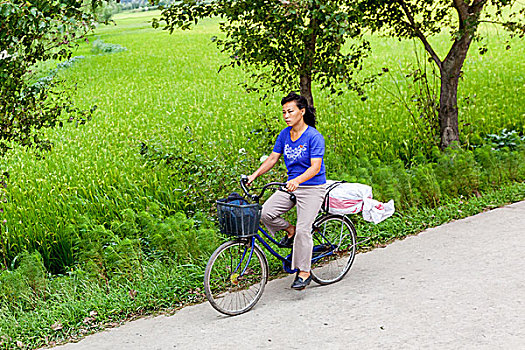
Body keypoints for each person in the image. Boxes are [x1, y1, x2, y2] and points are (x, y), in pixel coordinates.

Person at [247, 92, 327, 290]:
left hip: (312, 187)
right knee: (265, 213)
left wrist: (298, 180)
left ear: (302, 111)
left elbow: (315, 167)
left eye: (290, 111)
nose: (286, 115)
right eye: (283, 112)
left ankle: (304, 272)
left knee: (303, 229)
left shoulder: (314, 137)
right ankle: (289, 230)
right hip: (291, 185)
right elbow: (273, 158)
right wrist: (254, 176)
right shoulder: (284, 134)